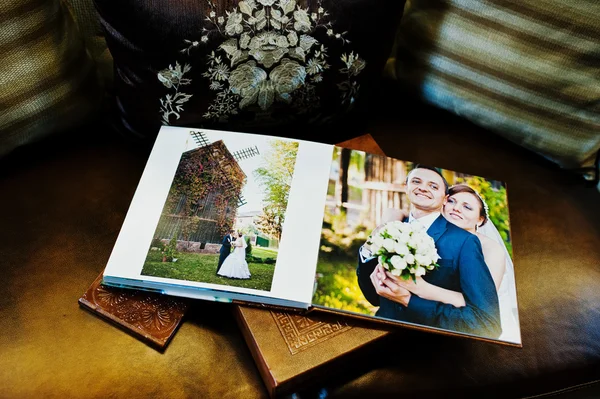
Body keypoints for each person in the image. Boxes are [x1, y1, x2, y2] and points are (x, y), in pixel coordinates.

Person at [357, 165, 502, 338]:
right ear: (406, 186)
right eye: (416, 181)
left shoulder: (467, 242)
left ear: (444, 197)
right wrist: (368, 251)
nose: (423, 187)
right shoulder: (391, 228)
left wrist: (409, 300)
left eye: (433, 186)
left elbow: (486, 323)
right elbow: (373, 298)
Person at [390, 184, 520, 342]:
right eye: (451, 201)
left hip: (476, 326)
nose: (457, 208)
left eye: (467, 207)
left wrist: (420, 288)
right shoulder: (433, 235)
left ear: (480, 219)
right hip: (433, 315)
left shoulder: (491, 249)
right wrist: (391, 219)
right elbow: (401, 212)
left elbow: (480, 302)